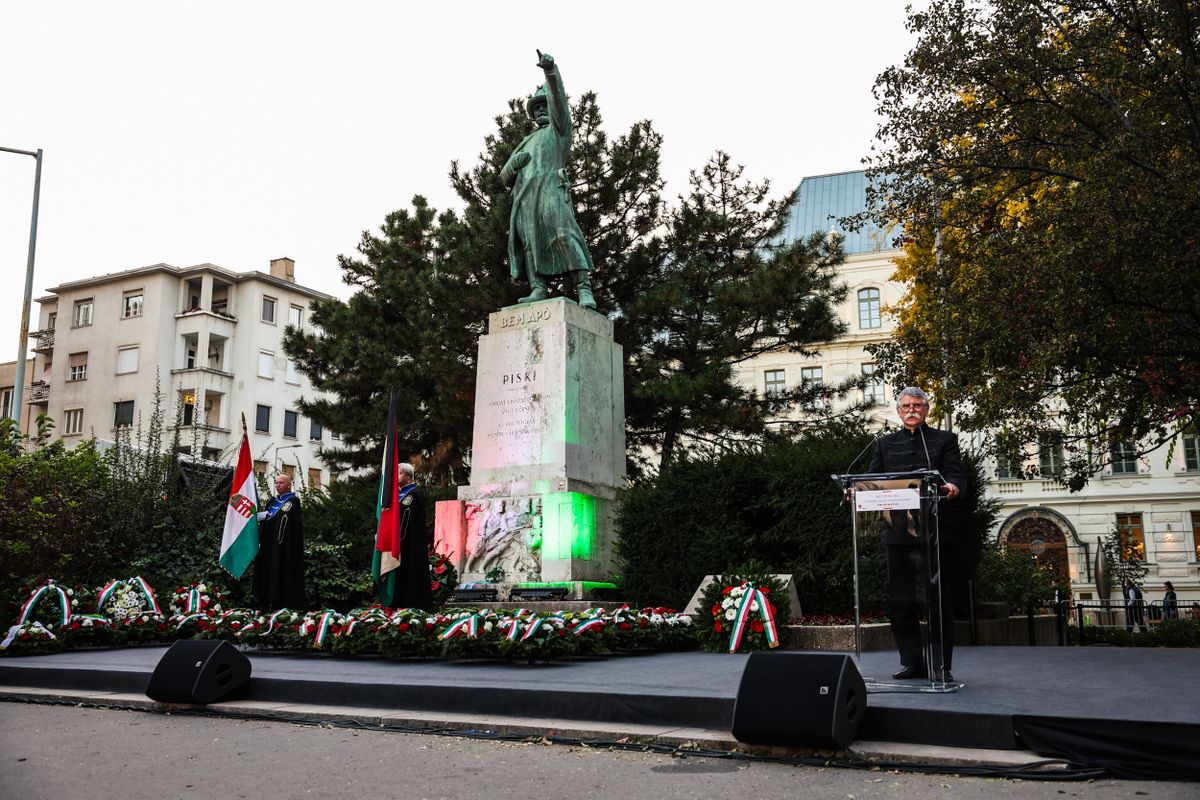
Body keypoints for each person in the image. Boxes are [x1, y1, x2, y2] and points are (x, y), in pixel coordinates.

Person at [867, 387, 967, 683]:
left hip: (935, 533)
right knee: (901, 602)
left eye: (917, 405)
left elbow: (956, 473)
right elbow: (872, 480)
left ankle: (940, 665)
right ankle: (912, 662)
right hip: (898, 535)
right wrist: (854, 492)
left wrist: (954, 487)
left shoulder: (944, 440)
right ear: (898, 412)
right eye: (906, 406)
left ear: (927, 409)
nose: (911, 410)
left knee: (938, 602)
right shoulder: (884, 444)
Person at [499, 50, 597, 310]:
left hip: (552, 193)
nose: (542, 110)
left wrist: (550, 72)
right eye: (537, 107)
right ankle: (538, 288)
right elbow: (504, 176)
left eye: (545, 105)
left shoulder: (558, 132)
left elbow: (559, 105)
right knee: (531, 243)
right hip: (525, 200)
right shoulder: (526, 141)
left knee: (565, 235)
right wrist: (512, 164)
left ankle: (583, 288)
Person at [380, 462, 435, 610]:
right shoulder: (398, 495)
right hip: (398, 545)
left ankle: (410, 606)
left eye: (399, 473)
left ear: (407, 475)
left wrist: (393, 508)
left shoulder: (415, 494)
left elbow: (408, 515)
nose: (396, 476)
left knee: (410, 576)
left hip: (410, 544)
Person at [254, 474, 306, 611]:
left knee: (280, 575)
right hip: (269, 547)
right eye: (276, 483)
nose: (278, 485)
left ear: (289, 485)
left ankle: (280, 604)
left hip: (283, 548)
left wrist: (267, 516)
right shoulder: (271, 502)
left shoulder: (293, 501)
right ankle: (265, 603)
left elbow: (286, 520)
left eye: (281, 483)